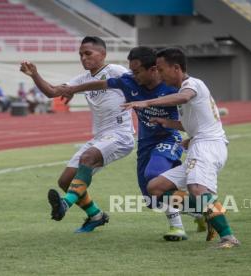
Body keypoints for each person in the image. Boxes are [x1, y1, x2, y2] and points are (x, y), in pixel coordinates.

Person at [61, 46, 205, 241]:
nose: (132, 75)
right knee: (151, 199)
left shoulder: (173, 87)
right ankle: (200, 211)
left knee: (155, 175)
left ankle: (177, 227)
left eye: (137, 71)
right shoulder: (129, 82)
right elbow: (99, 84)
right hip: (145, 142)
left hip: (169, 138)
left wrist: (192, 135)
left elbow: (191, 112)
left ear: (153, 69)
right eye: (131, 70)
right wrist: (72, 89)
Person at [121, 47, 240, 248]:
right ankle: (211, 211)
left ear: (176, 68)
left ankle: (228, 237)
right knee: (155, 188)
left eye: (160, 68)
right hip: (198, 144)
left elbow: (184, 97)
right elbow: (192, 122)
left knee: (197, 189)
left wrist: (147, 102)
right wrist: (168, 123)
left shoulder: (191, 84)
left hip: (207, 146)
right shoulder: (184, 90)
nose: (157, 73)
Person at [19, 36, 135, 233]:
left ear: (103, 54)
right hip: (100, 138)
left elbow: (137, 85)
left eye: (88, 53)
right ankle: (96, 215)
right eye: (81, 54)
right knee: (65, 181)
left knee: (87, 158)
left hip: (120, 135)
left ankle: (65, 204)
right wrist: (34, 75)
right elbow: (52, 92)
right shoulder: (81, 79)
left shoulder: (116, 71)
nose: (83, 58)